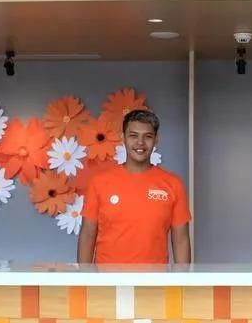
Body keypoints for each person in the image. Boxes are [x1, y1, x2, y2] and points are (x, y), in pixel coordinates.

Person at [78, 109, 191, 264]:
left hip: (155, 278)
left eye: (148, 136)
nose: (140, 143)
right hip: (107, 277)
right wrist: (84, 276)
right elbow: (87, 235)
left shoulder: (173, 184)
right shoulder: (99, 182)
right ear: (123, 138)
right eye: (133, 135)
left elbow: (181, 240)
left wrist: (183, 277)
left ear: (156, 139)